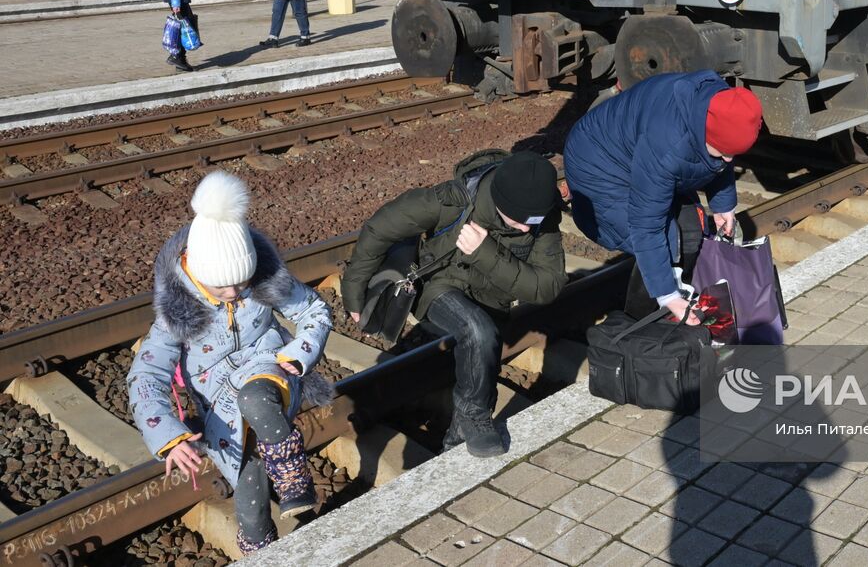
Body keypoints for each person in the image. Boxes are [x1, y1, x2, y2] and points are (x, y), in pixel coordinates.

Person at [128, 171, 333, 554]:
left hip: (269, 373)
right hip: (218, 408)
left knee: (253, 397)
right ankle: (259, 552)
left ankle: (292, 472)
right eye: (222, 287)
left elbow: (315, 312)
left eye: (242, 282)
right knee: (249, 489)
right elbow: (146, 374)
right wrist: (168, 437)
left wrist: (300, 352)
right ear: (198, 273)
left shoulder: (262, 281)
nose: (235, 293)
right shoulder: (177, 311)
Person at [340, 150, 566, 456]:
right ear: (500, 201)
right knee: (478, 331)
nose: (526, 229)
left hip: (494, 298)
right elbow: (381, 227)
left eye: (532, 222)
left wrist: (483, 251)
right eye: (518, 220)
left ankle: (453, 449)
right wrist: (354, 291)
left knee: (481, 360)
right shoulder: (454, 199)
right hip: (440, 285)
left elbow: (547, 287)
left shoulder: (542, 216)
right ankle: (476, 415)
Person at [563, 71, 763, 324]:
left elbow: (721, 155)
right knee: (666, 240)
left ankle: (673, 298)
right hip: (598, 166)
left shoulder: (719, 103)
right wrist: (667, 294)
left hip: (639, 151)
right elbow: (646, 225)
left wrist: (724, 204)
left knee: (692, 228)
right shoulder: (668, 146)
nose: (726, 160)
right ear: (703, 133)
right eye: (722, 152)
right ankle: (642, 326)